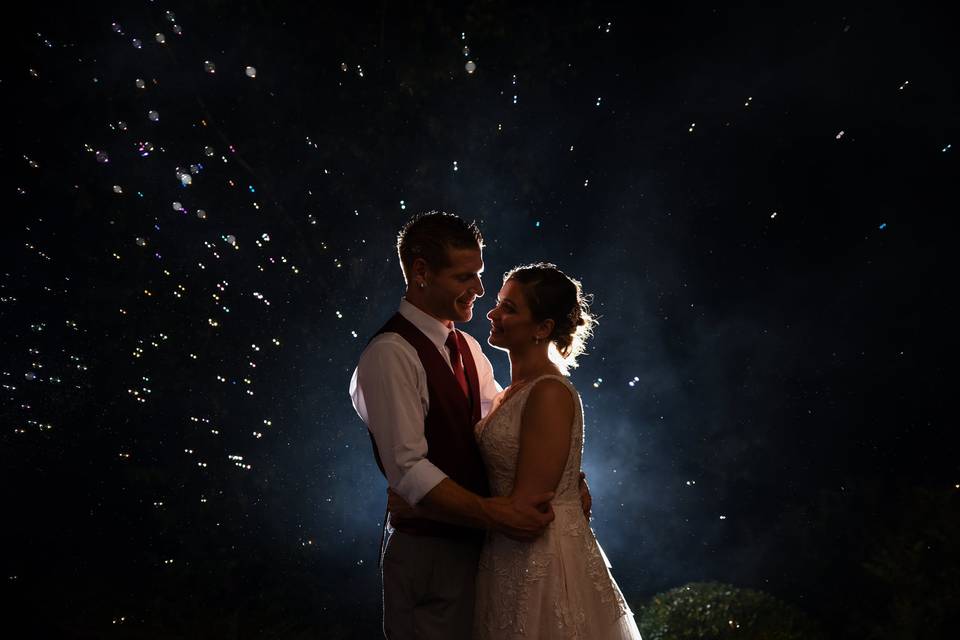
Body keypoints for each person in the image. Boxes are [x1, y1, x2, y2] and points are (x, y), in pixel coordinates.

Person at [350, 213, 591, 639]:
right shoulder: (391, 354)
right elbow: (408, 468)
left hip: (480, 554)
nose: (480, 290)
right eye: (466, 276)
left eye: (479, 275)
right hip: (430, 557)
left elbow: (507, 426)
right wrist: (490, 514)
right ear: (421, 272)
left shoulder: (467, 348)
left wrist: (566, 476)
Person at [396, 263, 642, 639]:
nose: (492, 313)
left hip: (539, 561)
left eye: (509, 308)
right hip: (506, 556)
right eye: (498, 303)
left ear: (543, 329)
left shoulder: (548, 392)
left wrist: (425, 503)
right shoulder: (509, 392)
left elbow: (526, 512)